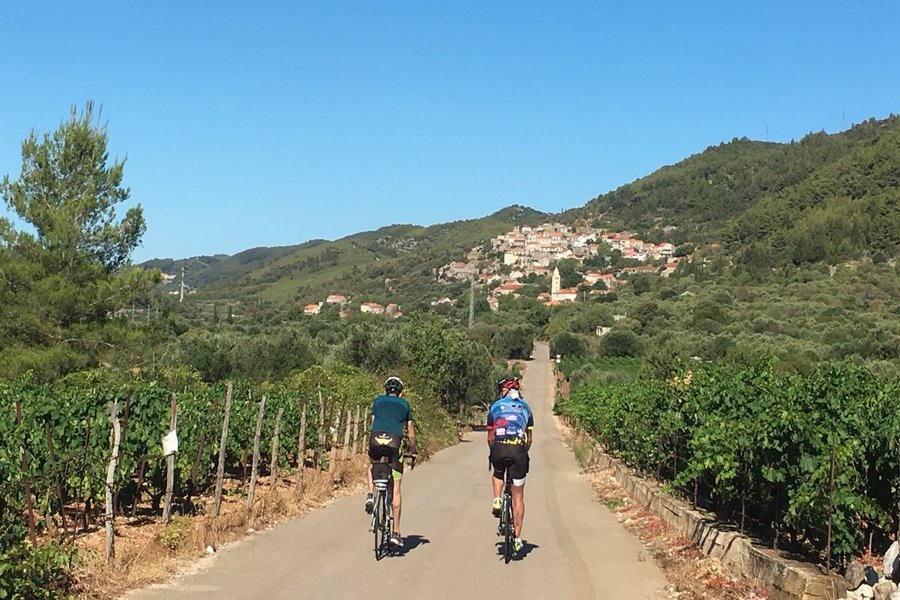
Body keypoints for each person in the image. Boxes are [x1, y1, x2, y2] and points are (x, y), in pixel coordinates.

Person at [365, 376, 417, 548]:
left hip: (376, 439)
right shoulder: (405, 405)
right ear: (400, 392)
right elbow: (410, 432)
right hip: (394, 442)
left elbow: (372, 422)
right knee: (395, 488)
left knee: (372, 464)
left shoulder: (378, 401)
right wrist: (413, 450)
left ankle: (371, 495)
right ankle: (395, 532)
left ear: (385, 391)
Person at [487, 375, 533, 554]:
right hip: (518, 450)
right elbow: (529, 438)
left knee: (498, 472)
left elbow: (490, 436)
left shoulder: (495, 406)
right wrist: (523, 451)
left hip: (499, 447)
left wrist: (493, 451)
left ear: (503, 391)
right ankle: (517, 538)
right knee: (518, 496)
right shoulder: (526, 408)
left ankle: (497, 499)